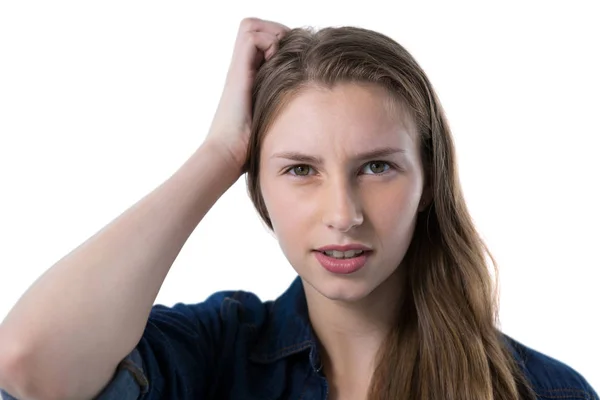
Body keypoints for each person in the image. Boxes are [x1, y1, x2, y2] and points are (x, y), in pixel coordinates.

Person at [0, 17, 596, 400]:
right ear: (257, 186)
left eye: (376, 167)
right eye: (301, 170)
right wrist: (217, 154)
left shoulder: (542, 391)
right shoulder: (215, 352)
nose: (344, 214)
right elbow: (28, 363)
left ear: (430, 180)